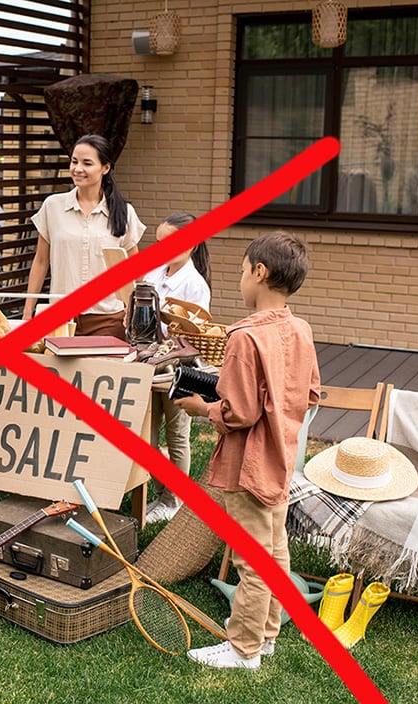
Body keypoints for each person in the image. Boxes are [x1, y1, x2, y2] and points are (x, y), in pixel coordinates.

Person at [175, 230, 320, 669]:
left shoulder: (242, 336)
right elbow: (310, 393)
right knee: (275, 552)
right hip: (282, 459)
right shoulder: (301, 328)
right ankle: (266, 636)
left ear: (260, 272)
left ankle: (243, 650)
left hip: (248, 465)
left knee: (251, 560)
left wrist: (202, 408)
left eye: (242, 270)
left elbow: (238, 412)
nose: (240, 279)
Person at [22, 134, 145, 339]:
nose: (78, 169)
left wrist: (133, 310)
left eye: (87, 163)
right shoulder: (53, 206)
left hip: (108, 319)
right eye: (74, 161)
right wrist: (28, 314)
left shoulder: (124, 212)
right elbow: (41, 261)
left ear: (105, 168)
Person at [140, 212, 211, 523]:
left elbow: (196, 334)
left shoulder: (196, 285)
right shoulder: (154, 273)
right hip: (149, 362)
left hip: (178, 367)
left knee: (177, 432)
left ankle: (174, 502)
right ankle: (162, 493)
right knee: (147, 435)